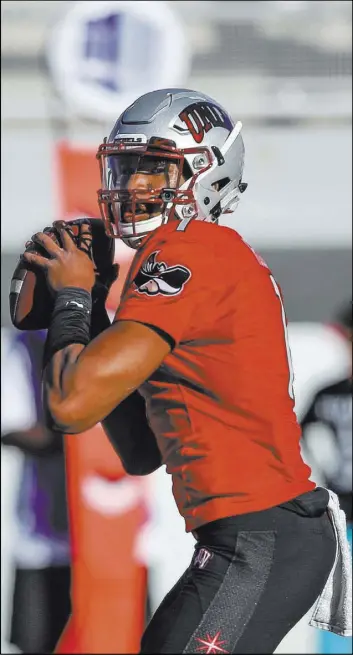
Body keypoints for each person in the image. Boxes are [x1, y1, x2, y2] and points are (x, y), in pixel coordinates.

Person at [22, 88, 339, 654]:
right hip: (247, 535)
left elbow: (69, 406)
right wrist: (92, 310)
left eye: (152, 172)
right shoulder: (190, 253)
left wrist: (72, 298)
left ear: (204, 175)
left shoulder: (191, 250)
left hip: (259, 533)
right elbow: (142, 449)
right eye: (125, 169)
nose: (132, 188)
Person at [1, 329, 71, 654]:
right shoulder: (25, 343)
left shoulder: (122, 326)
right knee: (42, 642)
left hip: (117, 540)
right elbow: (13, 426)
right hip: (43, 542)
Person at [300, 299, 352, 655]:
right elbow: (298, 434)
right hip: (342, 514)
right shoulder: (328, 393)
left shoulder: (328, 393)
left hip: (340, 510)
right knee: (338, 609)